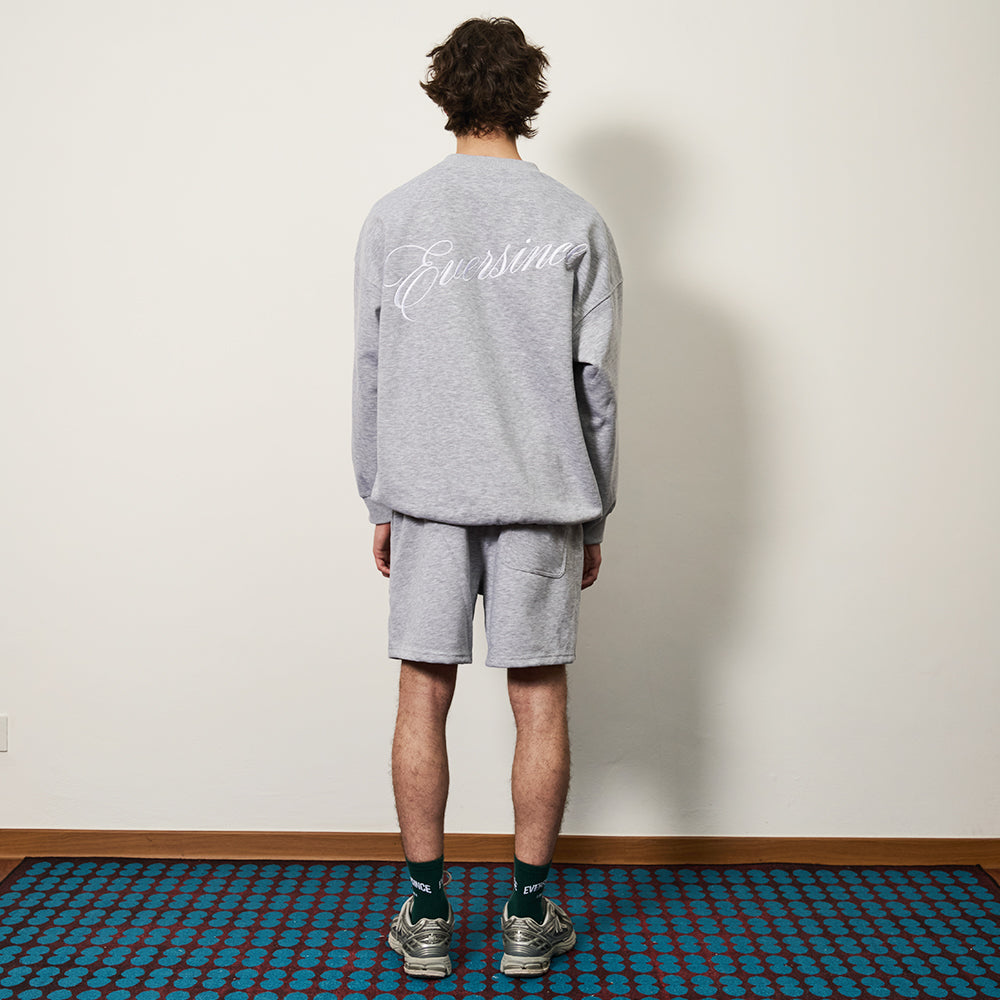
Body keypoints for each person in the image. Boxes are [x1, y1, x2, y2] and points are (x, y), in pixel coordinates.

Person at [351, 15, 623, 980]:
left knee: (422, 691)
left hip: (427, 493)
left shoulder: (395, 218)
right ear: (529, 97)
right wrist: (595, 511)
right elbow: (596, 386)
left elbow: (371, 370)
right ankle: (527, 916)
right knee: (537, 697)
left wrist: (378, 498)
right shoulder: (575, 222)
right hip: (543, 498)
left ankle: (427, 914)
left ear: (444, 94)